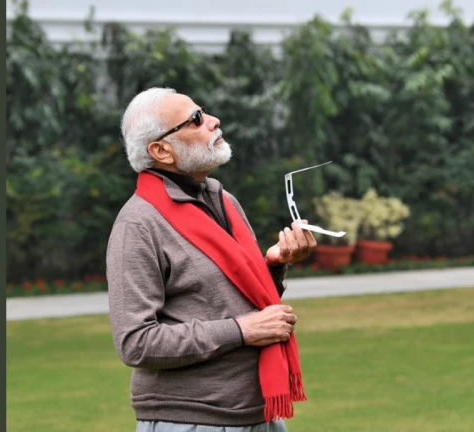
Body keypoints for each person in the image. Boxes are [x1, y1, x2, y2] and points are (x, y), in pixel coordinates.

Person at [106, 87, 317, 432]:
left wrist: (274, 267)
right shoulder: (138, 224)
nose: (213, 121)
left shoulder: (223, 200)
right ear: (161, 150)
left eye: (203, 111)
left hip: (260, 412)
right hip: (191, 420)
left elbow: (235, 300)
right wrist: (240, 331)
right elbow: (136, 343)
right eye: (195, 120)